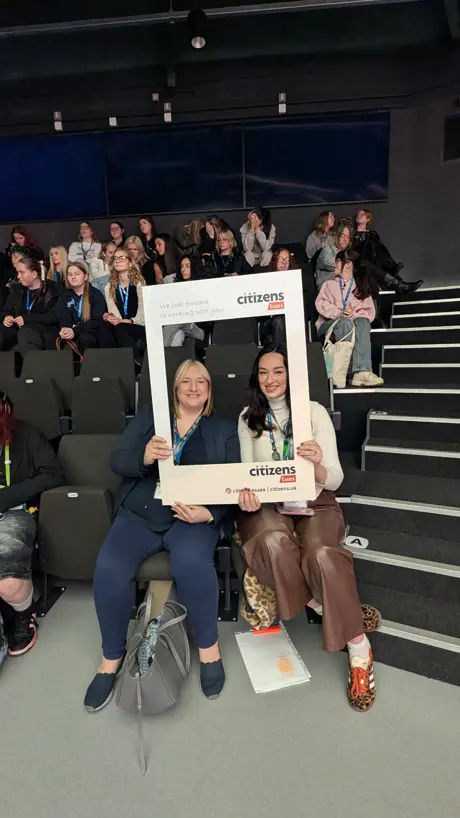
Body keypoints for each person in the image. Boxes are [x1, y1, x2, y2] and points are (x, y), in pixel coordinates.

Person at [84, 359, 240, 711]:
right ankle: (110, 659)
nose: (194, 387)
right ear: (175, 388)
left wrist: (210, 514)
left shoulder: (224, 428)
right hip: (142, 512)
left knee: (191, 562)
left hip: (192, 515)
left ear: (210, 389)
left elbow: (233, 481)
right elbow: (117, 460)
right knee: (109, 567)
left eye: (201, 381)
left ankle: (209, 650)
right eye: (186, 381)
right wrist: (143, 455)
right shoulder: (150, 418)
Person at [237, 345, 378, 712]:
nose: (270, 379)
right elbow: (248, 475)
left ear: (291, 375)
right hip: (270, 505)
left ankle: (359, 648)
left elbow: (335, 479)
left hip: (315, 500)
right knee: (270, 541)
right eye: (263, 372)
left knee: (322, 554)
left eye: (278, 371)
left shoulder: (314, 412)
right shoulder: (247, 418)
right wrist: (246, 494)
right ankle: (326, 603)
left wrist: (316, 465)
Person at [0, 390, 64, 665]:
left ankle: (23, 614)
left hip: (14, 512)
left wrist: (7, 497)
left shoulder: (27, 435)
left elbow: (53, 475)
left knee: (8, 582)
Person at [315, 250, 383, 388]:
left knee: (362, 322)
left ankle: (361, 371)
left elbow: (369, 311)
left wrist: (355, 315)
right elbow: (321, 304)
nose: (334, 264)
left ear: (348, 265)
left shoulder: (360, 287)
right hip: (329, 325)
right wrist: (339, 313)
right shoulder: (329, 284)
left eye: (338, 261)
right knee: (345, 323)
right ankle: (340, 373)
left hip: (351, 323)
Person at [353, 209, 423, 297]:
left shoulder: (372, 234)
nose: (359, 216)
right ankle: (398, 281)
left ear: (368, 219)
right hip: (361, 261)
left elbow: (380, 248)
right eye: (358, 214)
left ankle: (392, 270)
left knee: (374, 240)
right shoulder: (353, 234)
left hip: (374, 260)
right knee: (371, 243)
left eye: (362, 214)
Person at [0, 259, 60, 355]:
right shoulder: (17, 290)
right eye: (17, 273)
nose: (18, 276)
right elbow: (6, 311)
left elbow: (54, 316)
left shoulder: (53, 289)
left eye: (22, 273)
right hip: (17, 329)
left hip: (43, 330)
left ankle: (34, 364)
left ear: (34, 274)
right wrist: (6, 317)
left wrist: (27, 319)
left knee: (26, 331)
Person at [58, 262, 111, 354]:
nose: (73, 277)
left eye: (77, 274)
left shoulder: (95, 294)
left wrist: (75, 331)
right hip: (72, 334)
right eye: (70, 274)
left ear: (85, 277)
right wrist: (65, 329)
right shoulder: (64, 296)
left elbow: (96, 320)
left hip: (91, 333)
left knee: (86, 339)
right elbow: (63, 317)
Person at [103, 248, 146, 355]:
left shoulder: (139, 284)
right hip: (120, 326)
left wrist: (124, 321)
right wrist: (111, 317)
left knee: (121, 328)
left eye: (122, 258)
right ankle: (109, 361)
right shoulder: (109, 287)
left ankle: (133, 361)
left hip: (138, 325)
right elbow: (115, 315)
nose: (117, 261)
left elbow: (143, 317)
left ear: (130, 263)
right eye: (115, 258)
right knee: (104, 327)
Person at [315, 222, 351, 290]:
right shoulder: (327, 249)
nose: (345, 239)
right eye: (342, 236)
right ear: (337, 236)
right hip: (325, 287)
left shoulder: (346, 253)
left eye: (348, 237)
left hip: (342, 287)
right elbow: (333, 264)